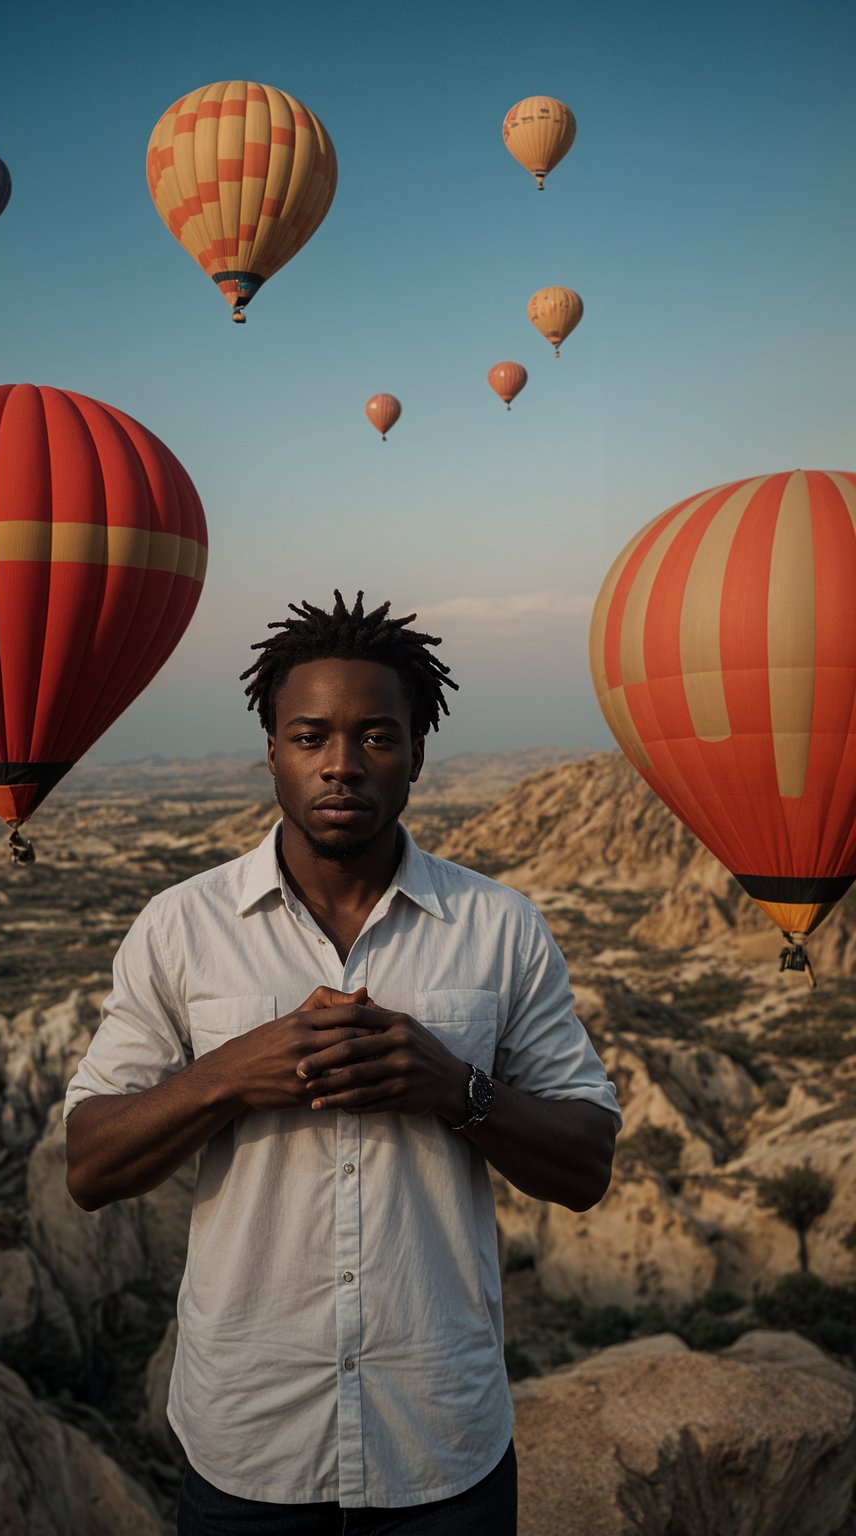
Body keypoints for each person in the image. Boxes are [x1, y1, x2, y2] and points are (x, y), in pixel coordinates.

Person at [64, 591, 621, 1535]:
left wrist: (455, 1090)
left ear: (415, 755)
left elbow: (587, 1164)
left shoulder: (499, 924)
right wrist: (233, 1073)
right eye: (311, 736)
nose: (341, 765)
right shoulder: (182, 926)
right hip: (252, 1446)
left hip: (440, 1443)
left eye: (376, 737)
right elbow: (88, 1165)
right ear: (272, 753)